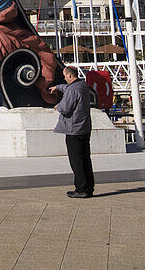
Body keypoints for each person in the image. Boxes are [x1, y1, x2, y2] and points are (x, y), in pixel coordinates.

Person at [54, 65, 95, 198]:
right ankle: (89, 187)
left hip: (73, 130)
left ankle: (81, 189)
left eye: (65, 76)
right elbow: (68, 88)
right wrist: (57, 87)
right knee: (85, 158)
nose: (65, 78)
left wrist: (57, 106)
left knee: (76, 160)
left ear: (70, 75)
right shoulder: (82, 86)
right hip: (84, 128)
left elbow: (65, 108)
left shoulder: (72, 90)